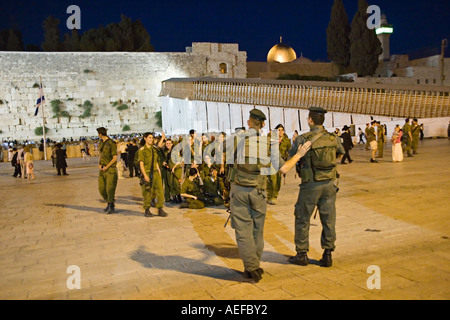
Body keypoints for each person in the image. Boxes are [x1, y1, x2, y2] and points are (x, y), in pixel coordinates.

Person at [281, 106, 344, 268]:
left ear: (310, 120)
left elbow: (292, 155)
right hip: (329, 184)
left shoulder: (303, 139)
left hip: (310, 184)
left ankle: (302, 254)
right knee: (329, 219)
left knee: (302, 217)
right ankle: (328, 254)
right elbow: (340, 153)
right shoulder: (332, 138)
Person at [228, 108, 275, 283]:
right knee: (257, 229)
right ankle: (254, 264)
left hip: (239, 189)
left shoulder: (236, 140)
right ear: (262, 124)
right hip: (258, 190)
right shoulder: (267, 142)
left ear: (248, 122)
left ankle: (252, 267)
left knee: (243, 230)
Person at [138, 132, 168, 218]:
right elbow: (141, 163)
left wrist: (158, 170)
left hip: (155, 173)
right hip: (147, 172)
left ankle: (160, 208)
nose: (151, 139)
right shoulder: (142, 150)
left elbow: (155, 161)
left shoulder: (154, 149)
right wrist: (144, 175)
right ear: (145, 138)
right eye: (149, 138)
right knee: (147, 192)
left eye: (152, 138)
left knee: (160, 191)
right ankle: (147, 209)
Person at [267, 124, 291, 205]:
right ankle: (270, 196)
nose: (280, 132)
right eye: (278, 130)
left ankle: (275, 195)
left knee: (278, 181)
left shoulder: (287, 141)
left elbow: (289, 151)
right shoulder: (271, 139)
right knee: (272, 180)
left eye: (282, 130)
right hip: (271, 162)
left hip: (281, 163)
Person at [97, 127, 118, 214]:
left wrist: (107, 166)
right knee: (101, 188)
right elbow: (101, 155)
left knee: (110, 189)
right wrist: (99, 164)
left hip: (110, 170)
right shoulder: (101, 143)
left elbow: (115, 157)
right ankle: (109, 202)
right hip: (102, 169)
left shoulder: (111, 143)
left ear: (100, 134)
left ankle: (111, 205)